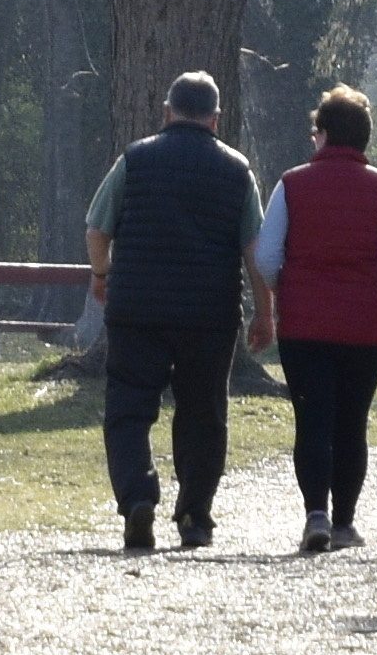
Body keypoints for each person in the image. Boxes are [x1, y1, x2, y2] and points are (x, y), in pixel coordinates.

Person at [247, 85, 377, 553]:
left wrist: (274, 297)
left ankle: (316, 516)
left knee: (312, 420)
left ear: (324, 135)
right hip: (366, 327)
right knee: (352, 423)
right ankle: (346, 522)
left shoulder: (291, 184)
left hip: (304, 326)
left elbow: (266, 257)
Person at [83, 71, 258, 551]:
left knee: (128, 407)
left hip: (137, 308)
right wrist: (266, 312)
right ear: (215, 120)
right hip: (209, 313)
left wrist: (102, 274)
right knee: (204, 413)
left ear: (166, 111)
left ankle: (138, 498)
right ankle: (195, 517)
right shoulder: (237, 170)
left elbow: (97, 227)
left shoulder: (134, 159)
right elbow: (255, 251)